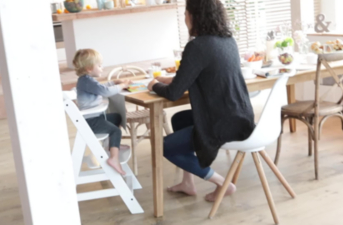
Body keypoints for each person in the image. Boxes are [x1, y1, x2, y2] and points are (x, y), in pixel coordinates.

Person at [147, 0, 255, 202]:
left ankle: (223, 184)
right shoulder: (228, 41)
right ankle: (188, 182)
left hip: (223, 124)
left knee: (164, 146)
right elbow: (205, 74)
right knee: (180, 119)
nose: (185, 17)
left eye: (186, 13)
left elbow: (172, 93)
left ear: (195, 15)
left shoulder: (197, 46)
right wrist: (169, 79)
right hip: (240, 118)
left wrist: (153, 85)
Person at [73, 49, 131, 175]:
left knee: (116, 117)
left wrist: (114, 82)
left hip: (95, 118)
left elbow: (101, 88)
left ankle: (111, 146)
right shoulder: (86, 81)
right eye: (99, 65)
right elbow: (106, 92)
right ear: (89, 68)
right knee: (115, 130)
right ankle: (114, 158)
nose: (102, 68)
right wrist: (121, 86)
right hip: (91, 121)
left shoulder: (87, 80)